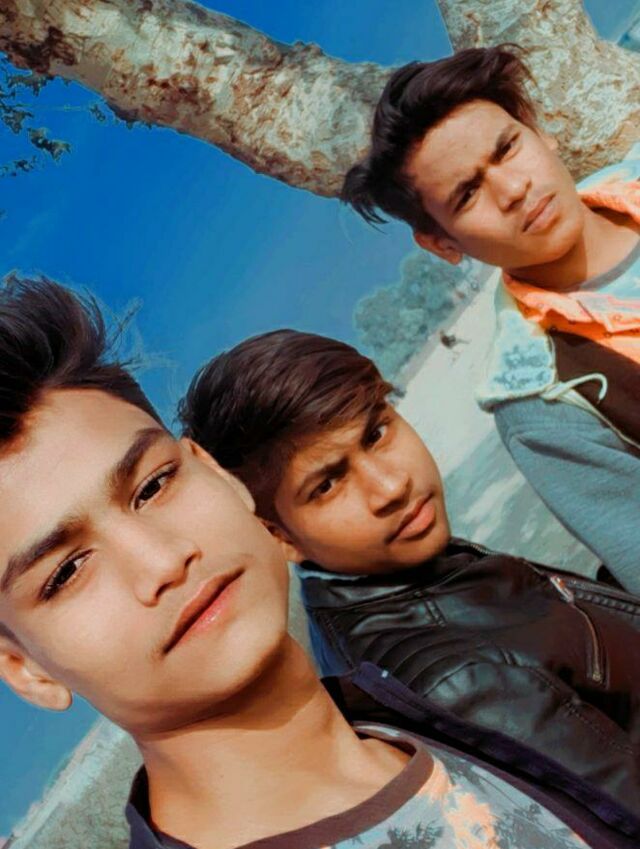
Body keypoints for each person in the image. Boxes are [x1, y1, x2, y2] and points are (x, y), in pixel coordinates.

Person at [0, 277, 622, 849]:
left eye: (154, 486)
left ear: (216, 473)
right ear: (26, 669)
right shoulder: (449, 683)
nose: (163, 561)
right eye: (65, 572)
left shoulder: (416, 725)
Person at [179, 327, 640, 842]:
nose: (391, 486)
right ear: (278, 535)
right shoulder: (459, 679)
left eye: (376, 433)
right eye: (327, 484)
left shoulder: (396, 571)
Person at [340, 45, 640, 593]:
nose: (514, 189)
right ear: (441, 243)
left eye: (507, 148)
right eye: (468, 193)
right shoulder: (543, 405)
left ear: (537, 130)